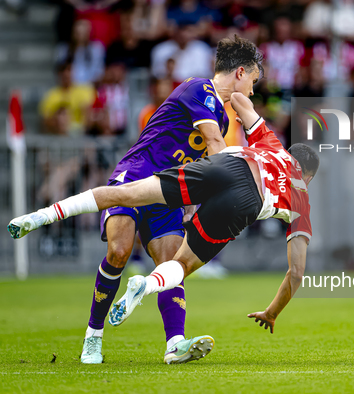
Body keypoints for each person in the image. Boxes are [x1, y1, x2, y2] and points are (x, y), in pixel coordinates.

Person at [8, 91, 318, 356]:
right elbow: (296, 272)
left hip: (224, 166)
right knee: (180, 265)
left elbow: (239, 100)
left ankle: (45, 214)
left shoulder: (274, 145)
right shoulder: (301, 199)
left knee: (126, 194)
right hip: (245, 202)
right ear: (308, 175)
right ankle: (144, 286)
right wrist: (272, 312)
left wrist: (239, 100)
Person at [38, 35, 261, 365]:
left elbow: (199, 162)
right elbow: (214, 145)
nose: (253, 92)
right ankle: (93, 336)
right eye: (254, 81)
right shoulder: (198, 89)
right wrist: (239, 186)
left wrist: (193, 199)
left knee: (172, 266)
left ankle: (175, 344)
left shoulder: (224, 117)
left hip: (167, 193)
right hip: (136, 176)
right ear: (240, 72)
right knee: (118, 251)